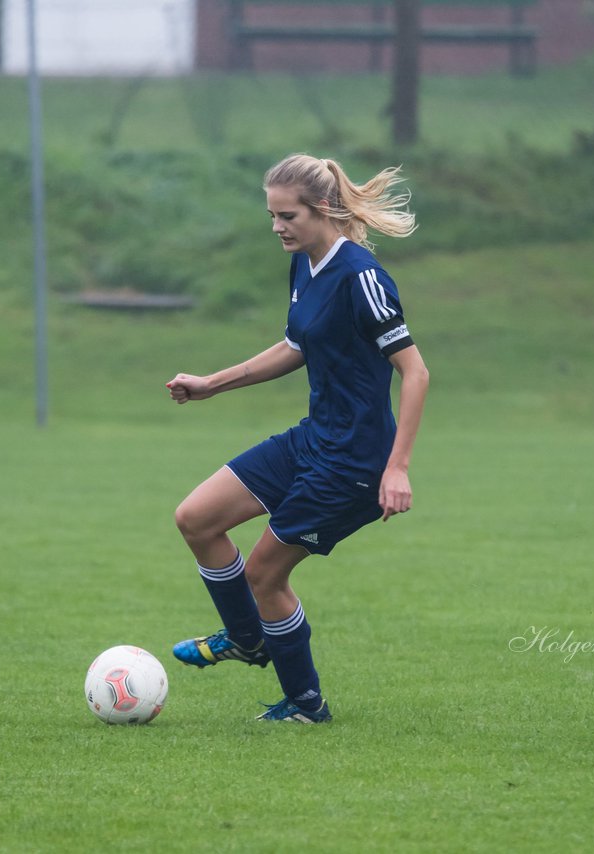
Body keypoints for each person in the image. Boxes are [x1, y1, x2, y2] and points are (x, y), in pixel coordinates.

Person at [165, 153, 430, 723]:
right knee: (196, 518)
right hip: (314, 439)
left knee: (264, 572)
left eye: (288, 216)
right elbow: (296, 346)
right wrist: (214, 383)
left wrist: (398, 467)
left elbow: (416, 372)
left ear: (325, 209)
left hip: (354, 463)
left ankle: (306, 704)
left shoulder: (362, 277)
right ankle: (247, 639)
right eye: (272, 216)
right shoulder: (304, 263)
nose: (278, 227)